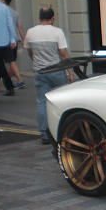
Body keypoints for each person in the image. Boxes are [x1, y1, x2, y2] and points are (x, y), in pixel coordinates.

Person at [24, 7, 74, 144]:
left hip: (40, 72)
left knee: (42, 102)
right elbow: (63, 53)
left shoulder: (30, 32)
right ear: (52, 18)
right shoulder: (57, 32)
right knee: (61, 101)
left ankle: (44, 133)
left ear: (39, 18)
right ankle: (62, 130)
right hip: (57, 71)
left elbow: (29, 51)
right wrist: (70, 72)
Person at [0, 0, 26, 89]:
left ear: (3, 0)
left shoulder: (2, 12)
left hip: (5, 40)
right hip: (15, 39)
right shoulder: (15, 13)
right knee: (12, 61)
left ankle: (19, 79)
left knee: (9, 61)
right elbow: (20, 27)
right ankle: (6, 80)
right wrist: (24, 39)